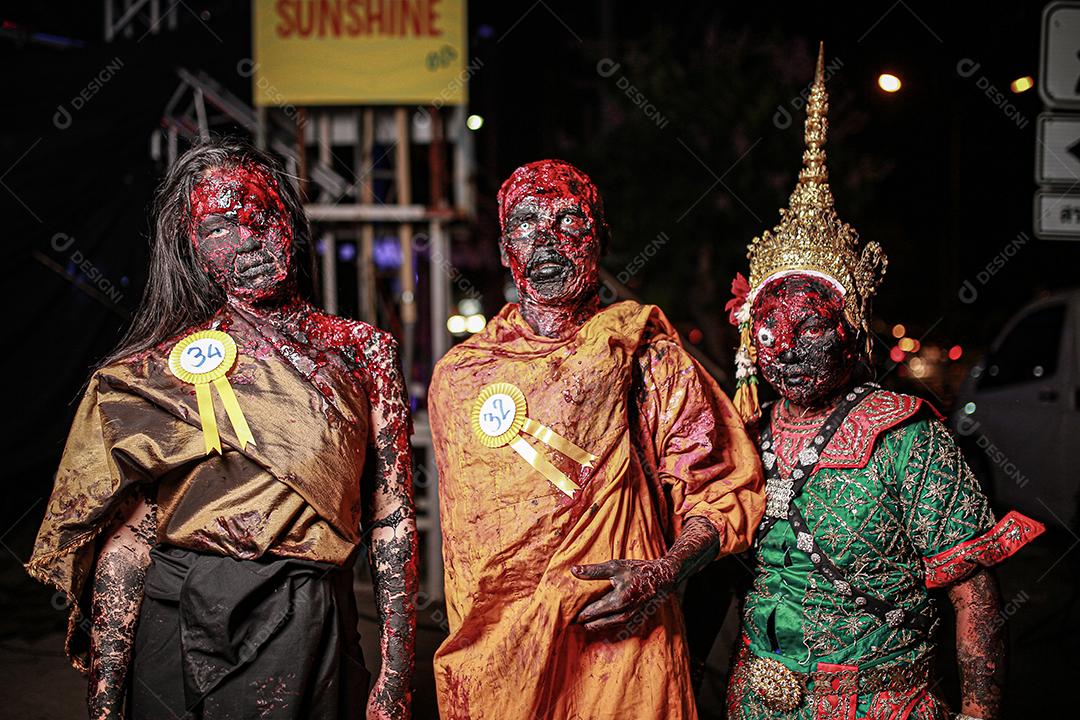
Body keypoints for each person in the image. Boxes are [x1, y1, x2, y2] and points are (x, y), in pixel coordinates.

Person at [25, 138, 418, 719]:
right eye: (218, 227)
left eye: (262, 214)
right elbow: (130, 542)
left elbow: (390, 518)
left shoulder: (362, 353)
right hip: (173, 621)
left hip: (305, 619)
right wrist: (106, 700)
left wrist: (396, 676)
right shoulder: (161, 370)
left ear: (289, 218)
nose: (247, 237)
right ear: (190, 247)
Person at [724, 45, 1044, 720]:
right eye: (769, 329)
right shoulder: (740, 430)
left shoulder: (905, 437)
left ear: (851, 331)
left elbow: (974, 594)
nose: (787, 349)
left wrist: (980, 713)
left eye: (812, 326)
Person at [427, 158, 765, 719]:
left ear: (600, 240)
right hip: (494, 665)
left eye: (571, 222)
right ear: (506, 244)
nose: (549, 239)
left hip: (622, 651)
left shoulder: (644, 356)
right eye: (527, 222)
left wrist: (665, 572)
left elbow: (719, 491)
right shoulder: (461, 376)